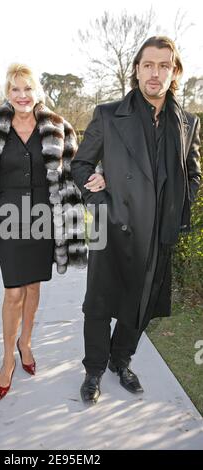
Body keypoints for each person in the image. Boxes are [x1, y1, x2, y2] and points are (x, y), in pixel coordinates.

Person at [0, 63, 105, 400]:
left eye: (28, 89)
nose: (22, 96)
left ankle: (26, 342)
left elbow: (80, 166)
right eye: (15, 89)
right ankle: (8, 357)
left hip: (44, 220)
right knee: (13, 292)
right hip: (6, 218)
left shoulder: (57, 127)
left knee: (34, 286)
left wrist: (100, 175)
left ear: (37, 91)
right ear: (7, 93)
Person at [71, 36, 201, 404]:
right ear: (137, 70)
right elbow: (80, 165)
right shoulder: (109, 114)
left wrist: (175, 207)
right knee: (98, 304)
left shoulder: (187, 123)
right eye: (148, 65)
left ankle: (120, 360)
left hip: (158, 232)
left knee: (141, 305)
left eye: (164, 65)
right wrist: (99, 196)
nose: (155, 72)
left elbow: (193, 175)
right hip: (113, 226)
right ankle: (94, 369)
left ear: (174, 72)